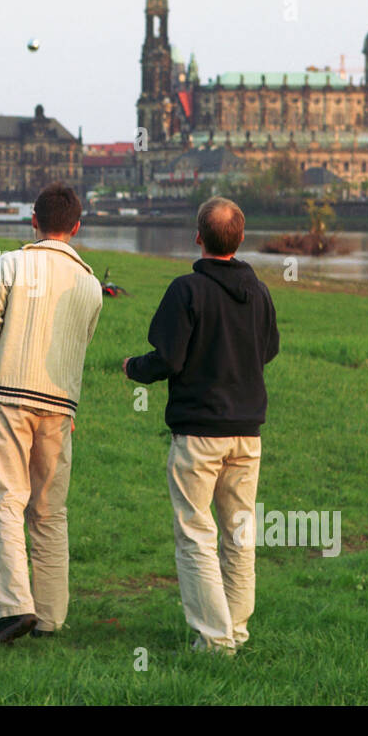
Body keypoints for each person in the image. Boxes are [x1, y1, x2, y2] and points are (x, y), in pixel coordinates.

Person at [0, 183, 103, 647]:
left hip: (8, 398)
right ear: (76, 226)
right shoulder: (90, 284)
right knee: (50, 511)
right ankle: (49, 616)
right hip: (60, 407)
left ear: (33, 220)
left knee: (4, 502)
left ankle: (12, 609)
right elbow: (78, 348)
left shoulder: (11, 263)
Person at [123, 197, 279, 654]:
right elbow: (266, 351)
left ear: (198, 237)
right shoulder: (261, 291)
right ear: (241, 238)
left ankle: (215, 641)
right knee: (239, 533)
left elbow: (167, 359)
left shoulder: (186, 289)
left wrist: (133, 367)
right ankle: (237, 630)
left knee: (196, 533)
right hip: (247, 432)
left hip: (198, 433)